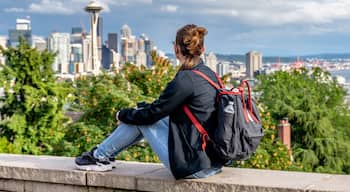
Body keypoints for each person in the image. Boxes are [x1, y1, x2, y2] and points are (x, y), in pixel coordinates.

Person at [75, 24, 225, 179]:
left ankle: (99, 156)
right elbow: (163, 109)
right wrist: (137, 111)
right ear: (203, 48)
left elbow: (152, 115)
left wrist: (122, 114)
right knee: (142, 114)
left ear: (176, 49)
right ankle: (102, 155)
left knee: (143, 118)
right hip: (212, 161)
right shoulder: (209, 75)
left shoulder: (185, 79)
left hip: (194, 166)